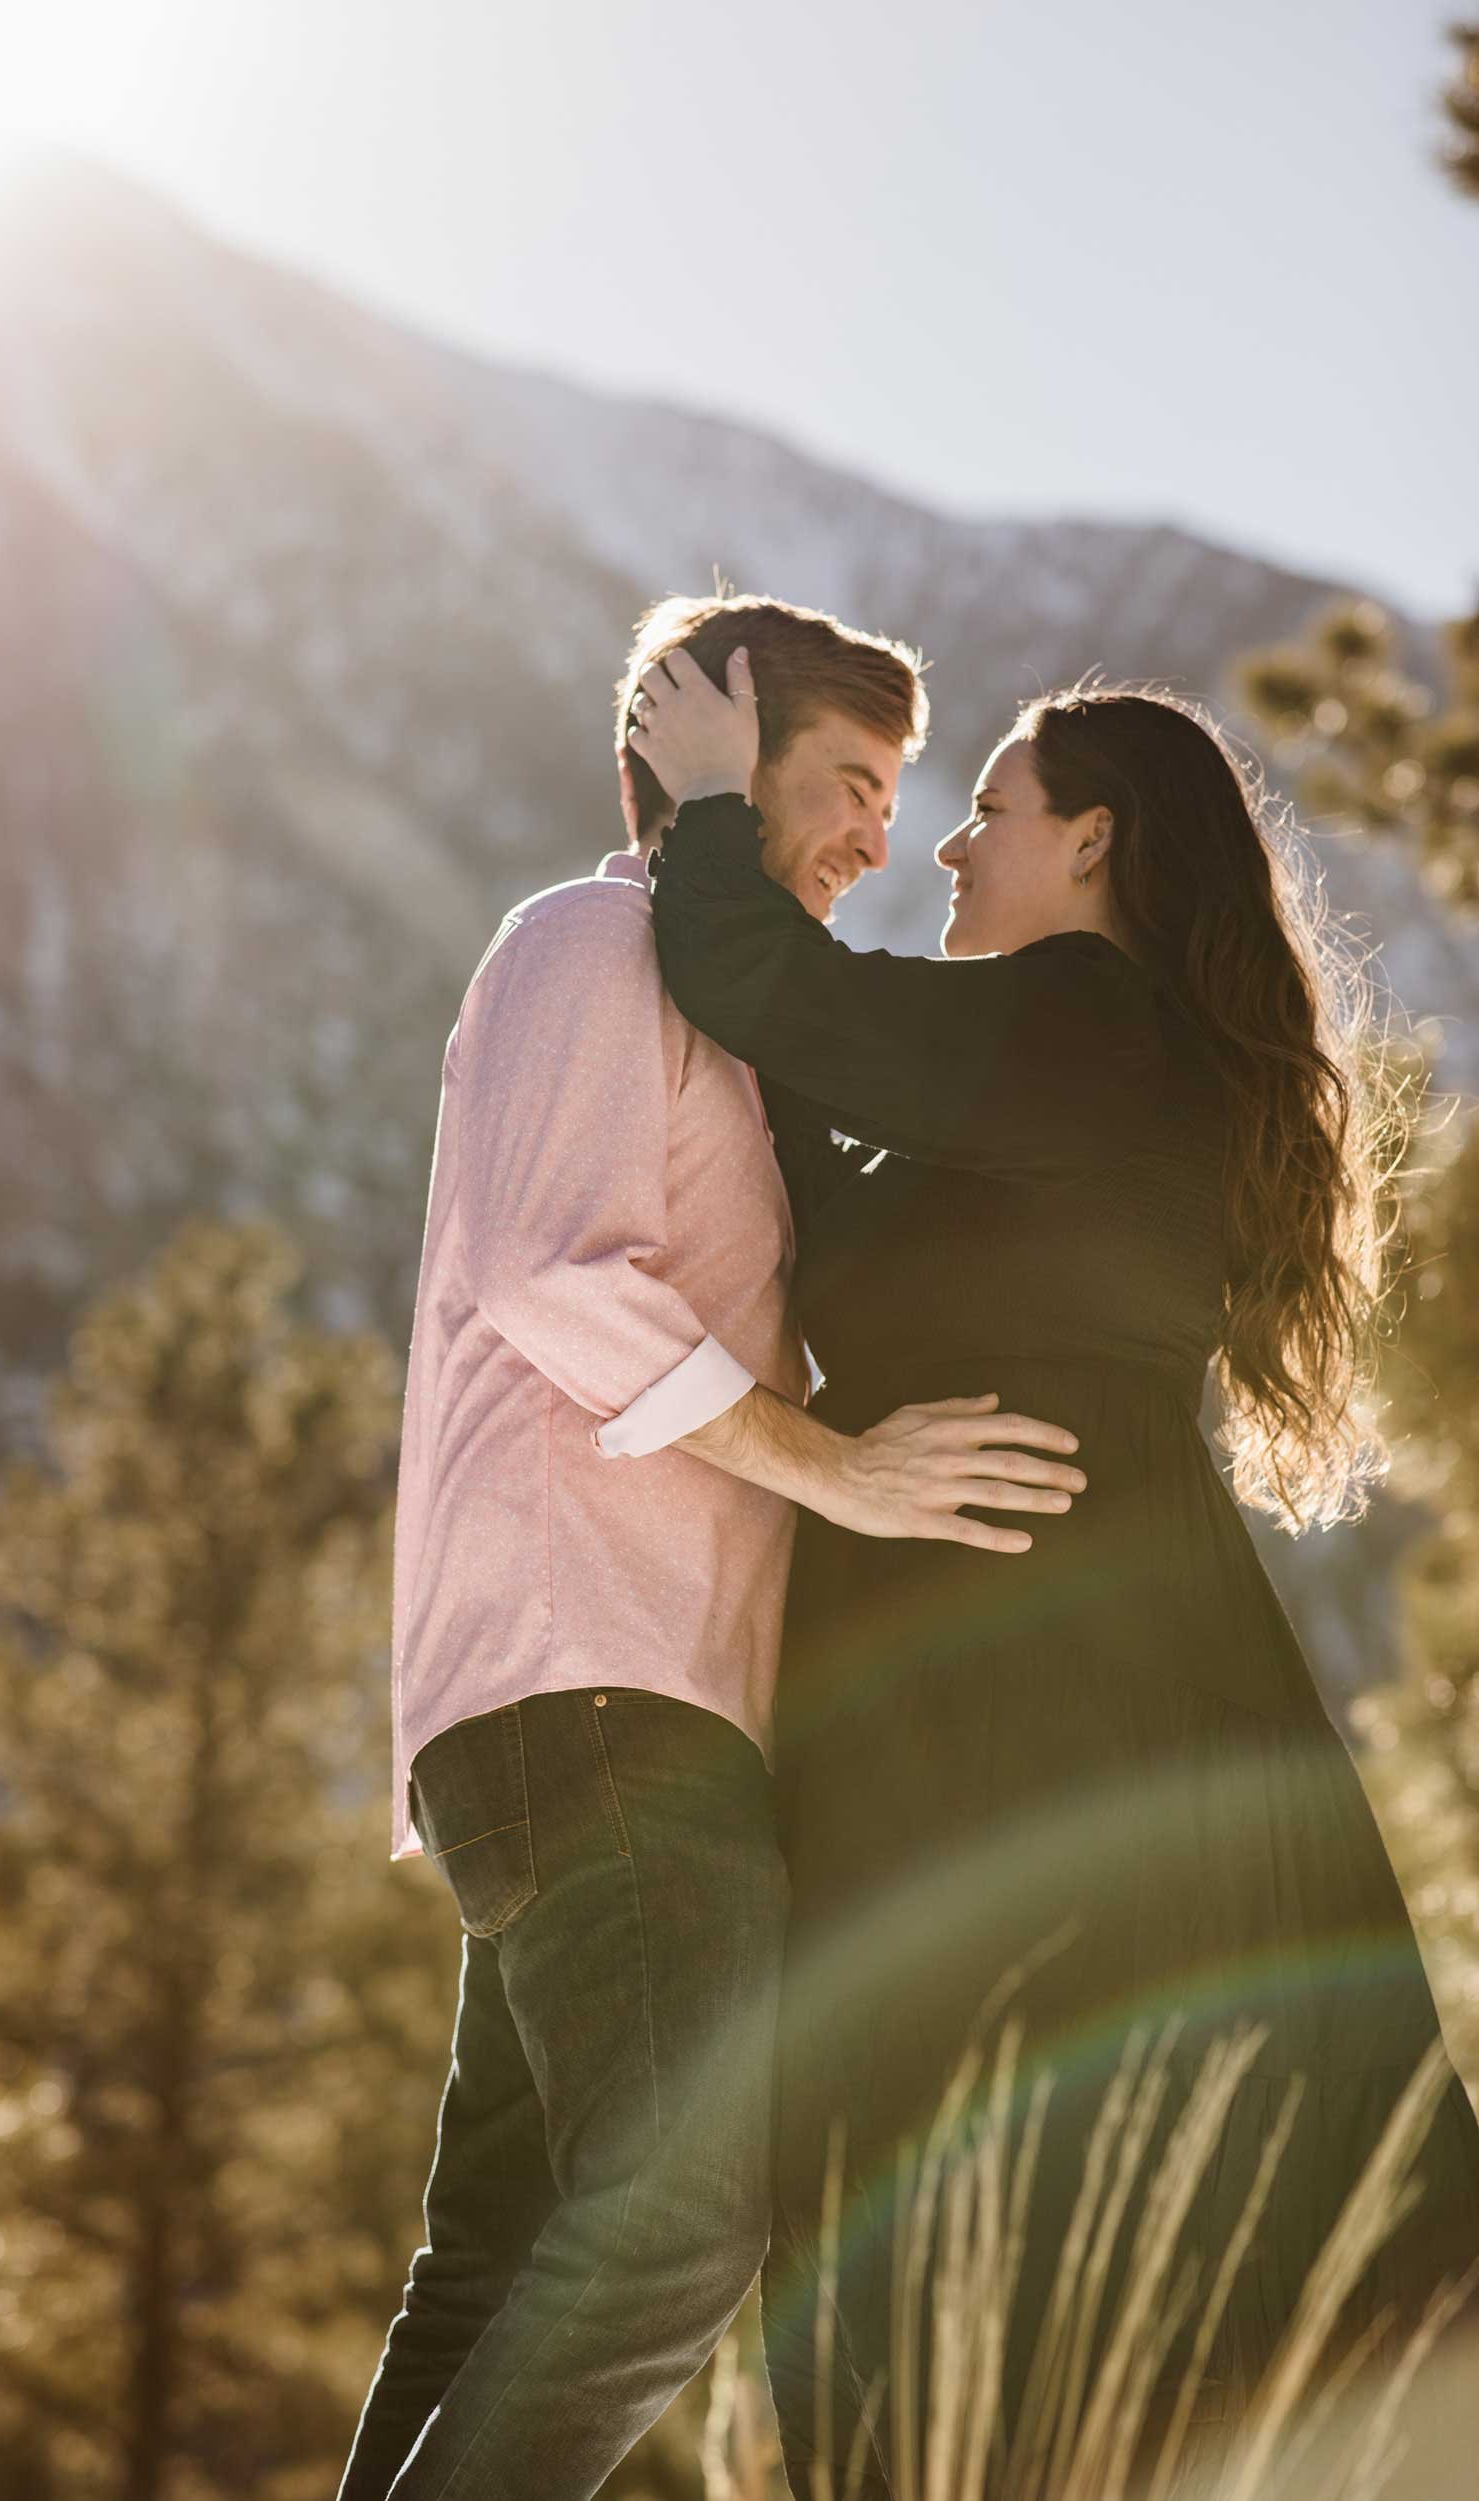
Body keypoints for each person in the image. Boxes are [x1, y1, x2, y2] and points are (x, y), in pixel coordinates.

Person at [633, 652, 1479, 2496]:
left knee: (997, 2114)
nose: (949, 855)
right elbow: (795, 1120)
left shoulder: (1087, 1024)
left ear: (1092, 844)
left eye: (992, 812)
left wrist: (711, 799)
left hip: (1044, 1647)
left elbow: (767, 993)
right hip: (984, 1625)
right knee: (973, 2129)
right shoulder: (1035, 1069)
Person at [337, 595, 1089, 2501]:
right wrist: (831, 1467)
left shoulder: (721, 1026)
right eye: (847, 780)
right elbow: (541, 1274)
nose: (873, 837)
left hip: (594, 1705)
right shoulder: (592, 939)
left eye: (900, 795)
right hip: (604, 1696)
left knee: (495, 2263)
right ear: (708, 762)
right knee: (675, 2231)